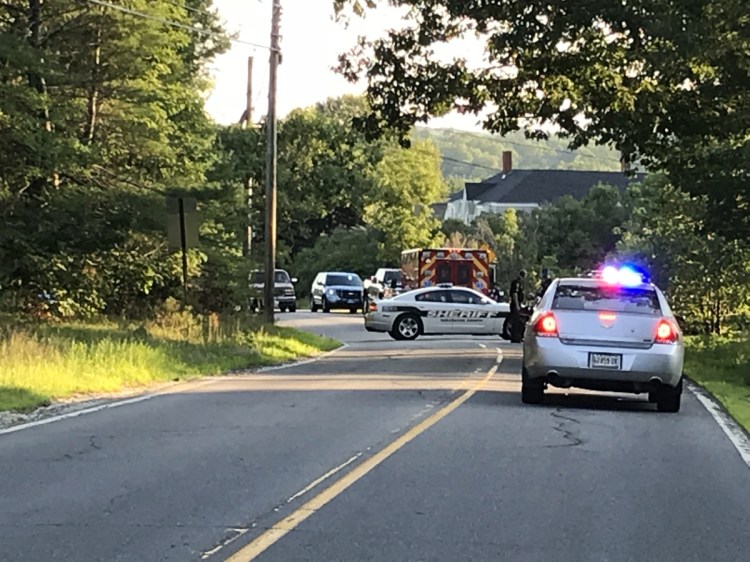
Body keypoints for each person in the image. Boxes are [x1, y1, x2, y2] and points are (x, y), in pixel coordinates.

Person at [509, 269, 527, 343]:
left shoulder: (520, 283)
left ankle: (517, 337)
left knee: (518, 321)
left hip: (518, 303)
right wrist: (517, 305)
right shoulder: (516, 283)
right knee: (516, 321)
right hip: (515, 304)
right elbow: (515, 294)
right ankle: (515, 337)